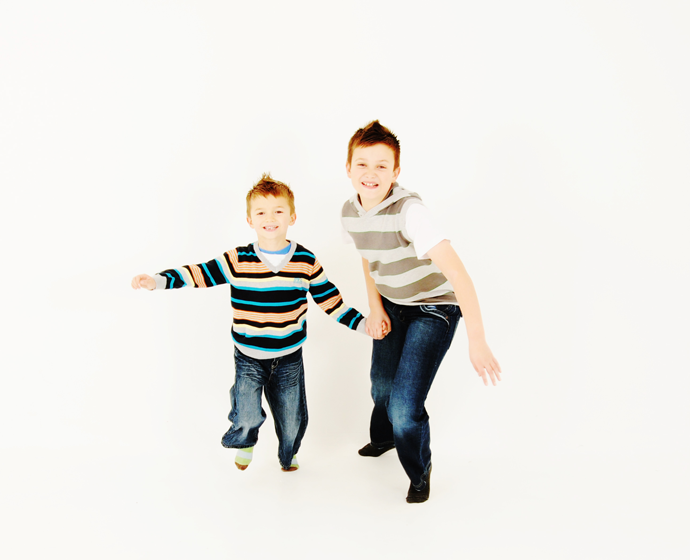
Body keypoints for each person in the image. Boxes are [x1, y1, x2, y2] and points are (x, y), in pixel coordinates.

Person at [132, 173, 373, 472]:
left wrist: (363, 324)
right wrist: (157, 281)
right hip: (248, 355)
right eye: (261, 213)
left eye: (278, 211)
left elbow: (330, 301)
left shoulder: (305, 261)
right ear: (250, 220)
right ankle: (244, 439)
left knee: (293, 419)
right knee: (246, 414)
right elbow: (200, 273)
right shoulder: (238, 260)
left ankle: (288, 454)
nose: (269, 218)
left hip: (288, 357)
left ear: (292, 217)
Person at [341, 120, 502, 503]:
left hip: (434, 309)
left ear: (395, 171)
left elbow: (458, 274)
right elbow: (367, 255)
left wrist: (477, 340)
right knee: (381, 386)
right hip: (392, 305)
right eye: (362, 164)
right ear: (348, 168)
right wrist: (375, 308)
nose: (371, 173)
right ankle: (384, 438)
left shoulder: (411, 212)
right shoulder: (349, 212)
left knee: (404, 406)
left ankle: (419, 471)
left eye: (382, 165)